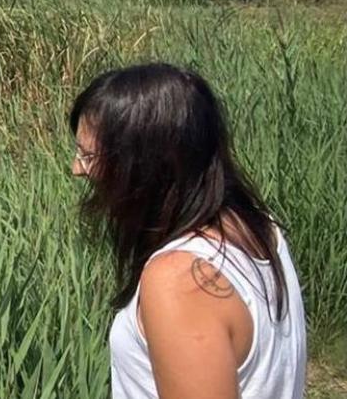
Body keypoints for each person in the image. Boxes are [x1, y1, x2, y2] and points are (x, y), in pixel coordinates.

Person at [70, 63, 306, 399]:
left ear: (144, 165)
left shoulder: (179, 279)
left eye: (88, 155)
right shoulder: (259, 227)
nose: (77, 169)